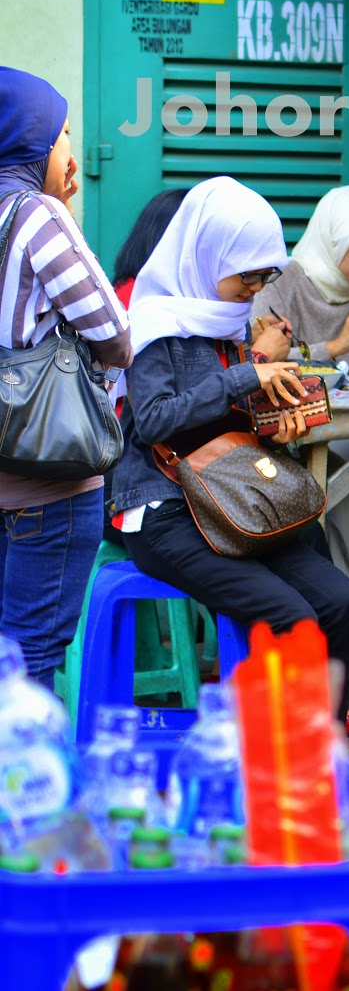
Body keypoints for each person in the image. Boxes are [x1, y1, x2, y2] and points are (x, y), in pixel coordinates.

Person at [110, 176, 349, 723]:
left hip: (235, 504)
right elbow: (153, 421)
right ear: (207, 255)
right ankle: (277, 753)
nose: (254, 288)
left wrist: (276, 425)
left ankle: (322, 746)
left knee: (342, 604)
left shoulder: (229, 324)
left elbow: (229, 421)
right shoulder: (154, 325)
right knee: (292, 617)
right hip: (166, 512)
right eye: (245, 274)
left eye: (263, 275)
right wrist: (246, 376)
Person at [0, 67, 131, 681]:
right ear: (33, 140)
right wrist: (64, 214)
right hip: (45, 485)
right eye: (65, 134)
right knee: (30, 665)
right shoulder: (37, 216)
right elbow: (115, 336)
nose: (71, 150)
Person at [253, 185, 349, 704]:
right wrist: (335, 346)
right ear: (330, 238)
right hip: (286, 434)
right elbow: (261, 360)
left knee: (335, 483)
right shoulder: (282, 283)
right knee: (336, 477)